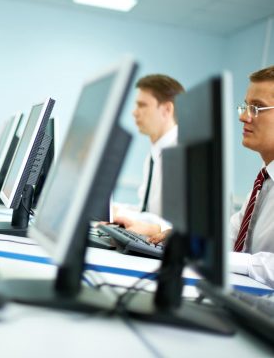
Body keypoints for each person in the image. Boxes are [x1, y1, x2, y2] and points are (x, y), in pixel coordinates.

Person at [117, 65, 274, 288]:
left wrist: (216, 257)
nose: (242, 116)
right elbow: (228, 236)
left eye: (257, 108)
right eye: (246, 106)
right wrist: (189, 241)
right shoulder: (264, 181)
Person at [130, 74, 185, 216]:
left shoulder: (185, 156)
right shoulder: (153, 156)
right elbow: (146, 212)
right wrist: (116, 212)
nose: (134, 112)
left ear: (167, 109)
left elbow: (176, 228)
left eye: (142, 105)